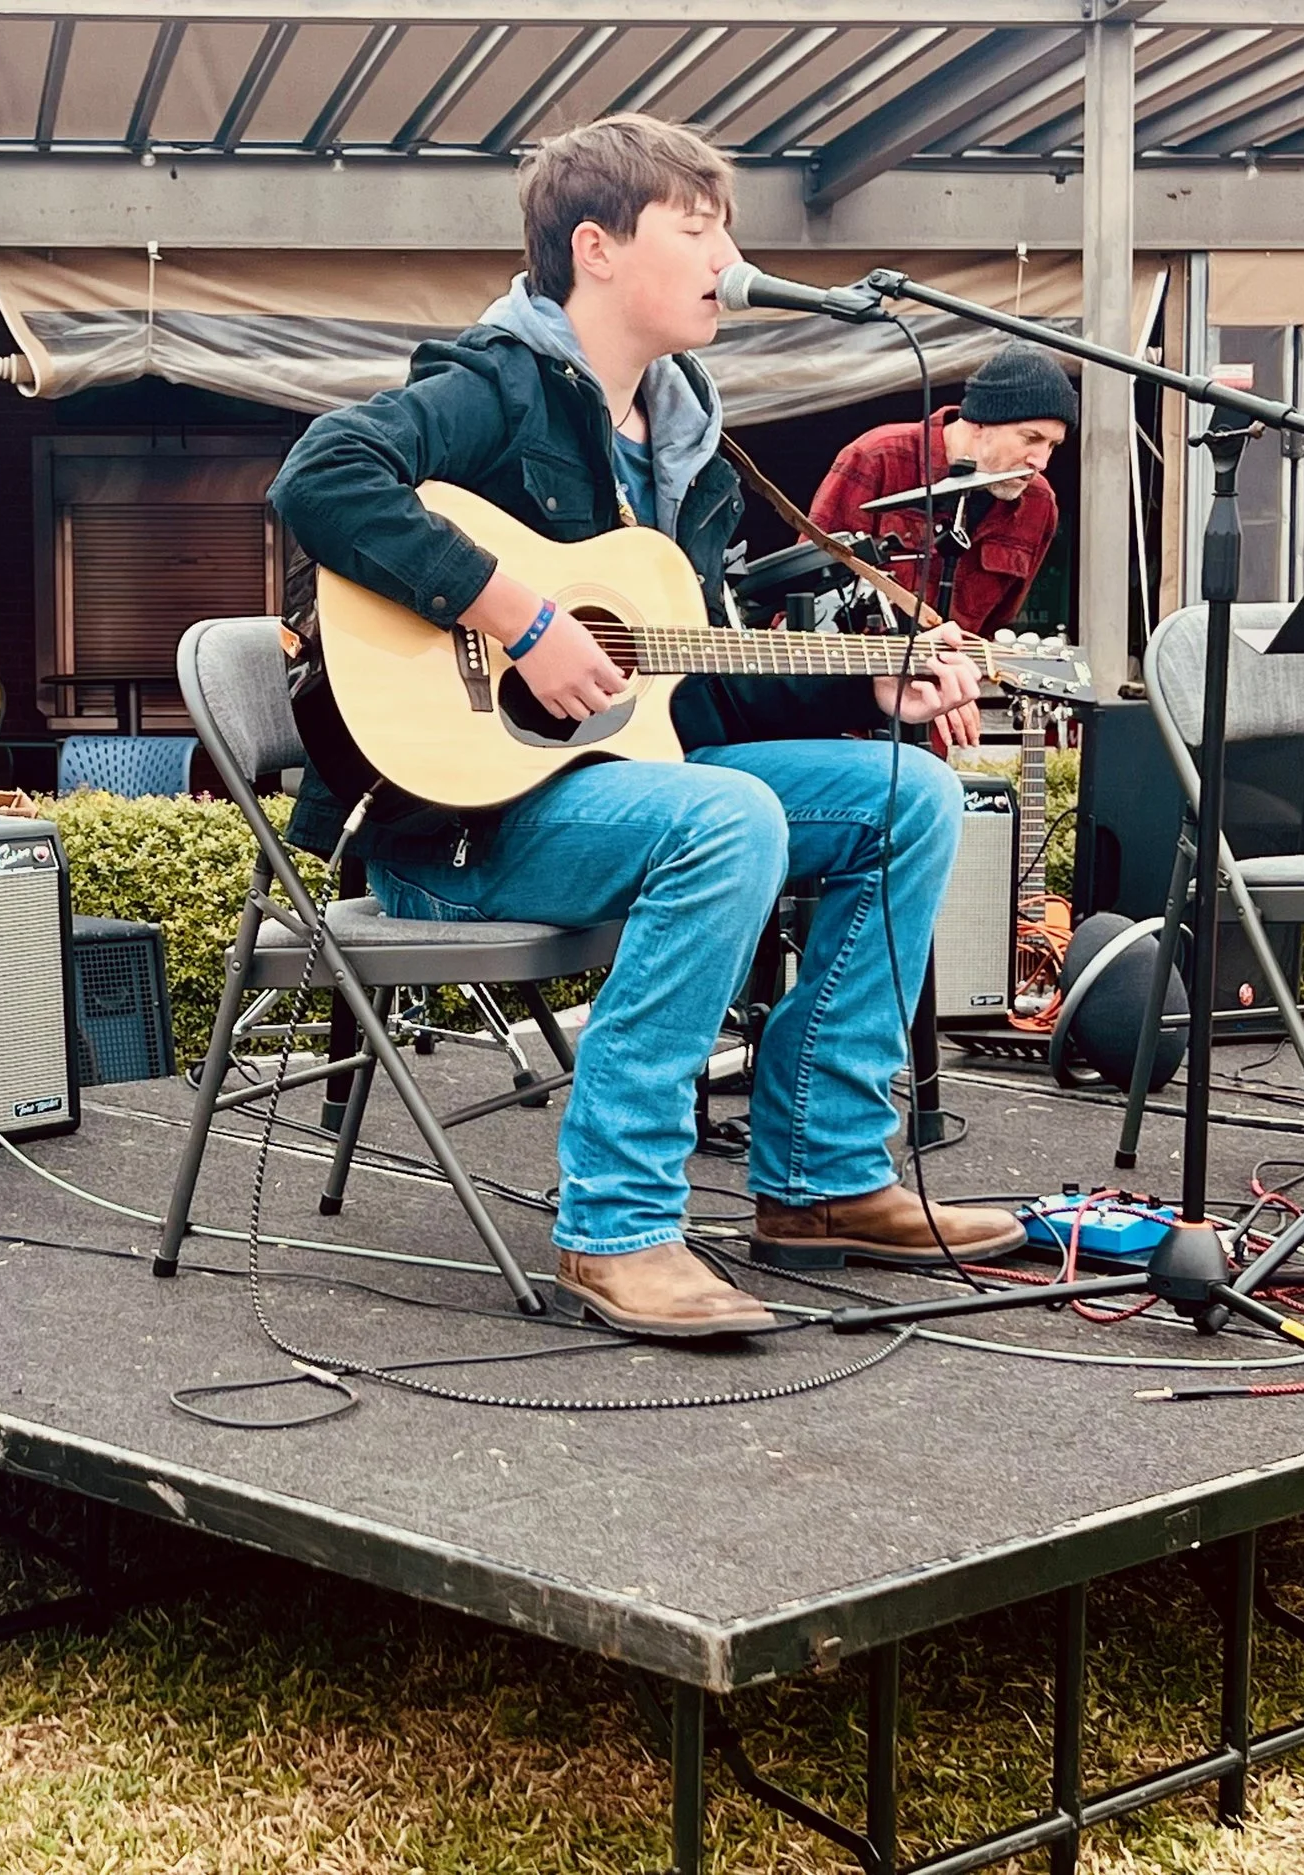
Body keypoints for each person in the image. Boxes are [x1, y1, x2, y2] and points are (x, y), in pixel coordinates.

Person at [269, 114, 1025, 1341]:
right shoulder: (493, 386)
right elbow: (321, 478)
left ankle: (821, 1180)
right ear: (597, 249)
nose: (728, 255)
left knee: (911, 793)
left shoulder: (688, 448)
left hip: (608, 793)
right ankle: (614, 1226)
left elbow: (689, 690)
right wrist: (520, 618)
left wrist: (860, 688)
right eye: (698, 226)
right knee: (726, 815)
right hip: (452, 827)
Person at [808, 342, 1076, 635]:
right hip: (853, 670)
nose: (1042, 461)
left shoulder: (1039, 503)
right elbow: (808, 592)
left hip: (953, 675)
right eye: (1030, 438)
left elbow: (995, 625)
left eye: (1052, 445)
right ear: (979, 422)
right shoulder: (878, 457)